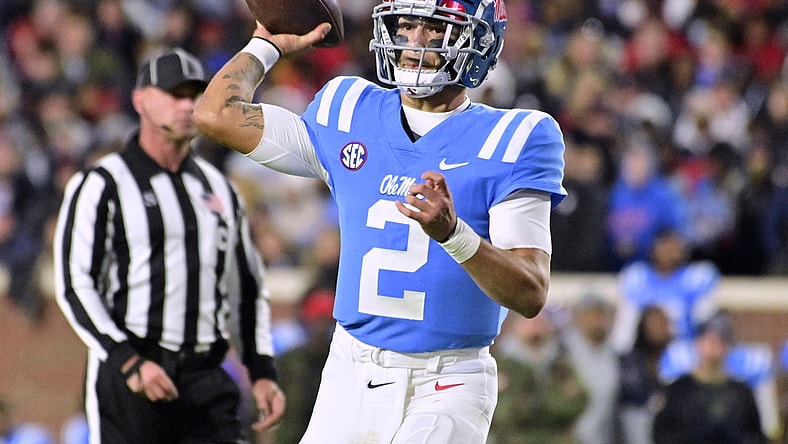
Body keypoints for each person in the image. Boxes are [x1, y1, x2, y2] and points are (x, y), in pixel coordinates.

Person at [194, 0, 567, 441]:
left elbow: (529, 291)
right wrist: (265, 44)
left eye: (433, 29)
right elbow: (215, 114)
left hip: (448, 379)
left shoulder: (516, 137)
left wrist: (454, 235)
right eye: (405, 25)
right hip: (350, 370)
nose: (413, 42)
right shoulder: (348, 108)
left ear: (478, 39)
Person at [53, 47, 285, 443]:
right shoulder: (103, 183)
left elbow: (243, 286)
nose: (186, 105)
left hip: (206, 373)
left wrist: (261, 371)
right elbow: (75, 284)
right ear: (140, 99)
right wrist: (128, 361)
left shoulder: (218, 187)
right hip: (135, 370)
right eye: (174, 94)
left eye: (194, 95)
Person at [652, 311, 767, 444]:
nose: (712, 347)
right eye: (708, 340)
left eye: (719, 341)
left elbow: (755, 435)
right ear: (697, 343)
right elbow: (662, 433)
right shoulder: (678, 391)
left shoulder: (741, 393)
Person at [490, 309, 588, 444]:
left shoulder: (560, 364)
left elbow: (578, 401)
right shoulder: (500, 365)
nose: (535, 325)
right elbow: (499, 414)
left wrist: (536, 406)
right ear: (515, 326)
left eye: (540, 321)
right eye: (528, 321)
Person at [563, 293, 619, 444]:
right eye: (591, 314)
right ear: (579, 317)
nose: (597, 320)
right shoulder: (562, 351)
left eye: (601, 314)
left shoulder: (616, 355)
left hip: (604, 435)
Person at [617, 304, 673, 444]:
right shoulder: (629, 362)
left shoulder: (670, 360)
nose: (663, 329)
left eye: (664, 323)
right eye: (656, 324)